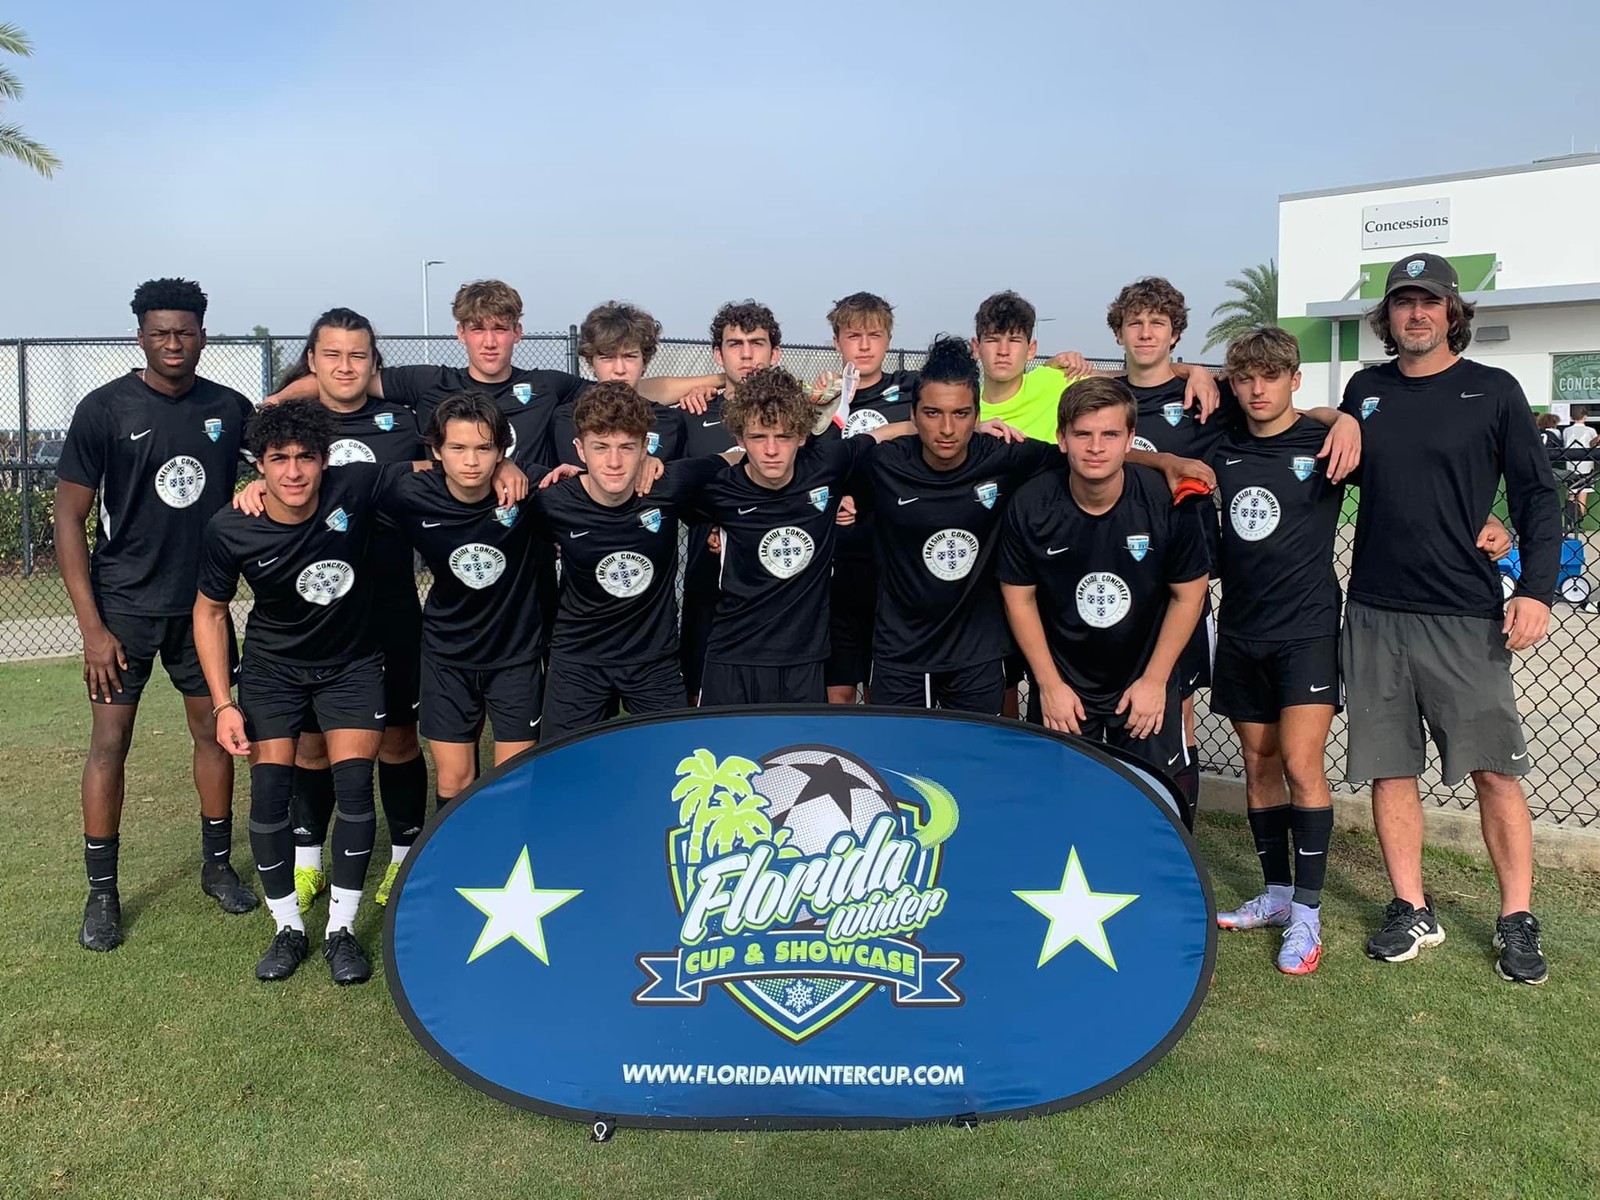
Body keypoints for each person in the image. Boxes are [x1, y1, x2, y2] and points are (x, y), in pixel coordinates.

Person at [1342, 252, 1560, 983]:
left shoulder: (1493, 390)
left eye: (1429, 301)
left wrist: (1535, 589)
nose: (1416, 313)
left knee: (1495, 773)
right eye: (1403, 302)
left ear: (1452, 312)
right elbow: (1313, 439)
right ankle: (1411, 906)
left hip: (1464, 614)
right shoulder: (1365, 389)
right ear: (1387, 316)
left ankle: (1516, 916)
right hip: (1374, 611)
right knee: (1389, 768)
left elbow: (1537, 495)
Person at [54, 278, 258, 952]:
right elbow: (68, 518)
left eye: (185, 332)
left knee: (214, 733)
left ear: (203, 335)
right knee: (110, 743)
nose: (174, 343)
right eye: (161, 332)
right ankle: (102, 894)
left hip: (203, 608)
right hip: (124, 611)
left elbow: (284, 456)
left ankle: (217, 867)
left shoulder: (229, 408)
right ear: (140, 335)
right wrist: (92, 630)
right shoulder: (104, 409)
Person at [195, 401, 404, 984]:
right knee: (269, 796)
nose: (293, 471)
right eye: (278, 459)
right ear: (259, 465)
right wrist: (223, 703)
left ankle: (341, 931)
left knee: (356, 791)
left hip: (352, 665)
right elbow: (209, 612)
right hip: (273, 672)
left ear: (324, 460)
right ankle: (288, 928)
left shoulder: (353, 487)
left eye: (305, 457)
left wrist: (508, 467)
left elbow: (434, 467)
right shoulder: (230, 526)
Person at [263, 309, 431, 914]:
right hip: (317, 614)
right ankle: (308, 862)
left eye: (357, 355)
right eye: (331, 355)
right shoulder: (294, 428)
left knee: (398, 739)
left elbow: (456, 453)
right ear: (312, 360)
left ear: (374, 362)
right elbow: (265, 477)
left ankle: (404, 860)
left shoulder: (406, 420)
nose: (344, 367)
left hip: (391, 602)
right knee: (311, 745)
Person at [1207, 328, 1345, 974]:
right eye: (1245, 378)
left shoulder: (1325, 442)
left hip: (1307, 630)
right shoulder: (1222, 443)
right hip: (1241, 628)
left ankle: (1308, 917)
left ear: (1295, 379)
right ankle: (1277, 894)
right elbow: (1145, 450)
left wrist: (1343, 418)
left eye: (1270, 376)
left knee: (1300, 761)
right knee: (1258, 763)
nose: (1257, 389)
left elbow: (1411, 482)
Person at [998, 377, 1209, 782]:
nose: (1096, 447)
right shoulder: (1031, 505)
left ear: (1130, 439)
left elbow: (1189, 595)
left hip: (1143, 678)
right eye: (1083, 434)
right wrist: (1049, 686)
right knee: (1061, 800)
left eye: (1110, 434)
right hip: (1065, 684)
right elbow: (1019, 599)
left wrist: (1155, 681)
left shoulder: (1166, 502)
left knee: (1153, 800)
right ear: (1062, 439)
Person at [690, 366, 912, 705]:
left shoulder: (827, 464)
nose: (771, 449)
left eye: (783, 436)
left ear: (802, 435)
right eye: (758, 437)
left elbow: (878, 435)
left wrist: (966, 429)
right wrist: (649, 466)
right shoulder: (715, 485)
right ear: (739, 438)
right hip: (733, 658)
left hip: (805, 662)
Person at [866, 336, 1060, 714]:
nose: (947, 428)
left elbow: (1085, 457)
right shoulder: (885, 463)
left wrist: (1165, 462)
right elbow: (824, 457)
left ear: (976, 415)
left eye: (961, 414)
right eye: (932, 413)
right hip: (901, 653)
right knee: (898, 751)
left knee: (977, 751)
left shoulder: (1003, 455)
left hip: (976, 652)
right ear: (913, 415)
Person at [535, 382, 738, 738]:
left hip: (653, 660)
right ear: (580, 449)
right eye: (601, 447)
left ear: (645, 446)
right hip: (579, 659)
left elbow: (737, 456)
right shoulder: (552, 500)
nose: (614, 462)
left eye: (627, 447)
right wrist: (506, 469)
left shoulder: (668, 485)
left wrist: (720, 525)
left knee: (677, 760)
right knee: (565, 763)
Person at [378, 393, 550, 810]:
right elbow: (336, 487)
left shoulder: (528, 487)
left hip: (515, 655)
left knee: (513, 780)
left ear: (501, 450)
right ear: (437, 451)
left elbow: (589, 483)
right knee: (454, 781)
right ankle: (456, 851)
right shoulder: (409, 492)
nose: (471, 461)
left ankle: (508, 851)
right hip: (446, 654)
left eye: (483, 448)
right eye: (457, 448)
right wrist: (259, 486)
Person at [817, 292, 922, 705]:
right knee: (838, 692)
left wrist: (880, 434)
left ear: (889, 339)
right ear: (836, 341)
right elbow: (805, 467)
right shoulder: (822, 397)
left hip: (893, 559)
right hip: (836, 563)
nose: (864, 346)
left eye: (874, 335)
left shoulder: (911, 388)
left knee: (885, 694)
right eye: (853, 336)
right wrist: (831, 499)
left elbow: (938, 421)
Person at [677, 301, 783, 702]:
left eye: (757, 343)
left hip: (781, 593)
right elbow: (677, 491)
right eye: (735, 344)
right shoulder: (694, 412)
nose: (747, 354)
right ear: (718, 355)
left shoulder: (797, 416)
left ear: (775, 352)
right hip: (711, 585)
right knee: (704, 706)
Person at [550, 301, 687, 467]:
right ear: (591, 363)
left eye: (629, 357)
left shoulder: (669, 421)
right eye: (607, 357)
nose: (619, 369)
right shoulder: (567, 418)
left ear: (644, 362)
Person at [1560, 404, 1595, 530]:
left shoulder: (1566, 431)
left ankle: (1568, 520)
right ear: (1585, 417)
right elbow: (1594, 445)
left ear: (1571, 417)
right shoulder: (1590, 431)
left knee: (1571, 493)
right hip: (1586, 467)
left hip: (1570, 466)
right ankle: (1578, 523)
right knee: (1582, 495)